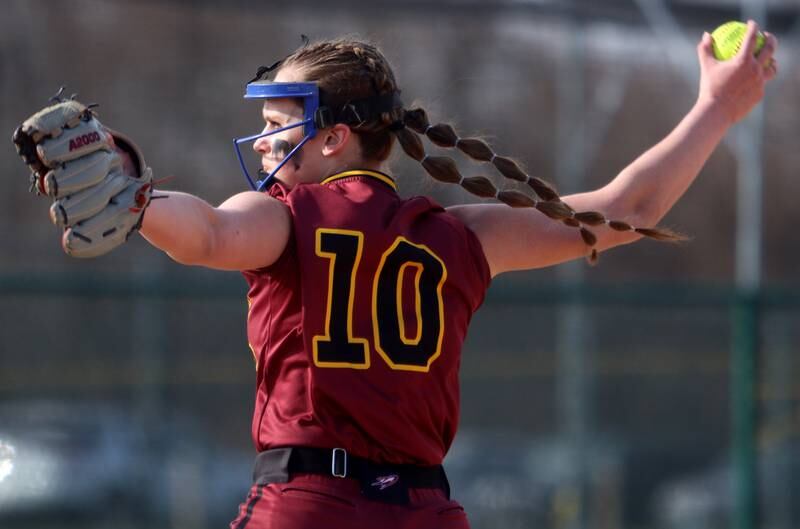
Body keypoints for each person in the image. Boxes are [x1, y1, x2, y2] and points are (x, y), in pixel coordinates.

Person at [13, 21, 778, 529]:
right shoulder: (459, 235)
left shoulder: (288, 214)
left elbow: (207, 233)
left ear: (336, 138)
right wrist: (716, 107)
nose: (268, 141)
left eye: (282, 126)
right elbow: (628, 206)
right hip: (423, 510)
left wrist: (138, 199)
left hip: (309, 501)